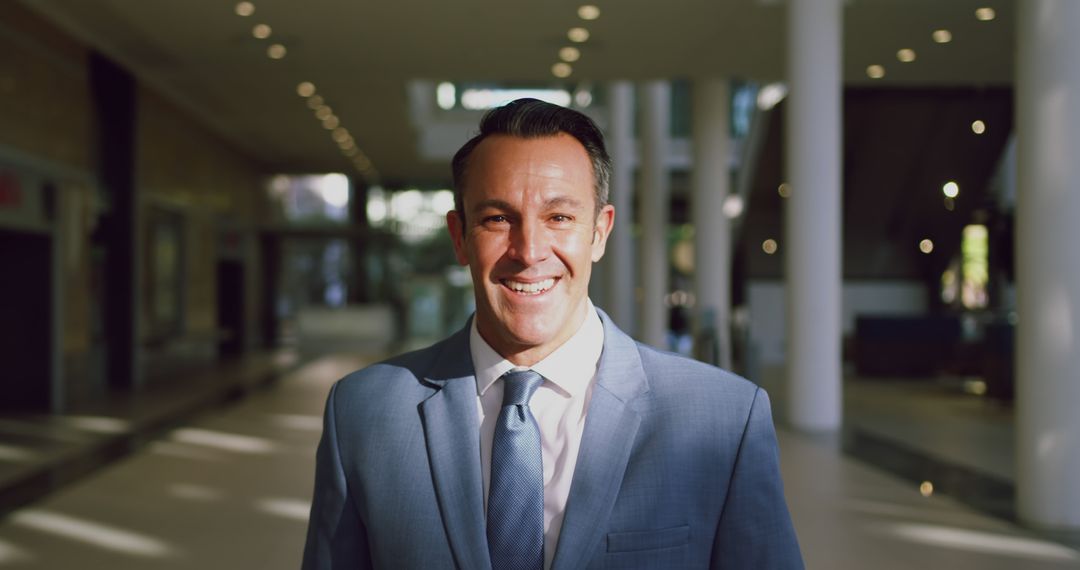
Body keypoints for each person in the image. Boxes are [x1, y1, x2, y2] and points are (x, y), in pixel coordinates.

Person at [302, 98, 803, 569]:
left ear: (599, 232)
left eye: (559, 217)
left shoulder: (725, 419)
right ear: (460, 237)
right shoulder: (362, 413)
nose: (529, 250)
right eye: (498, 218)